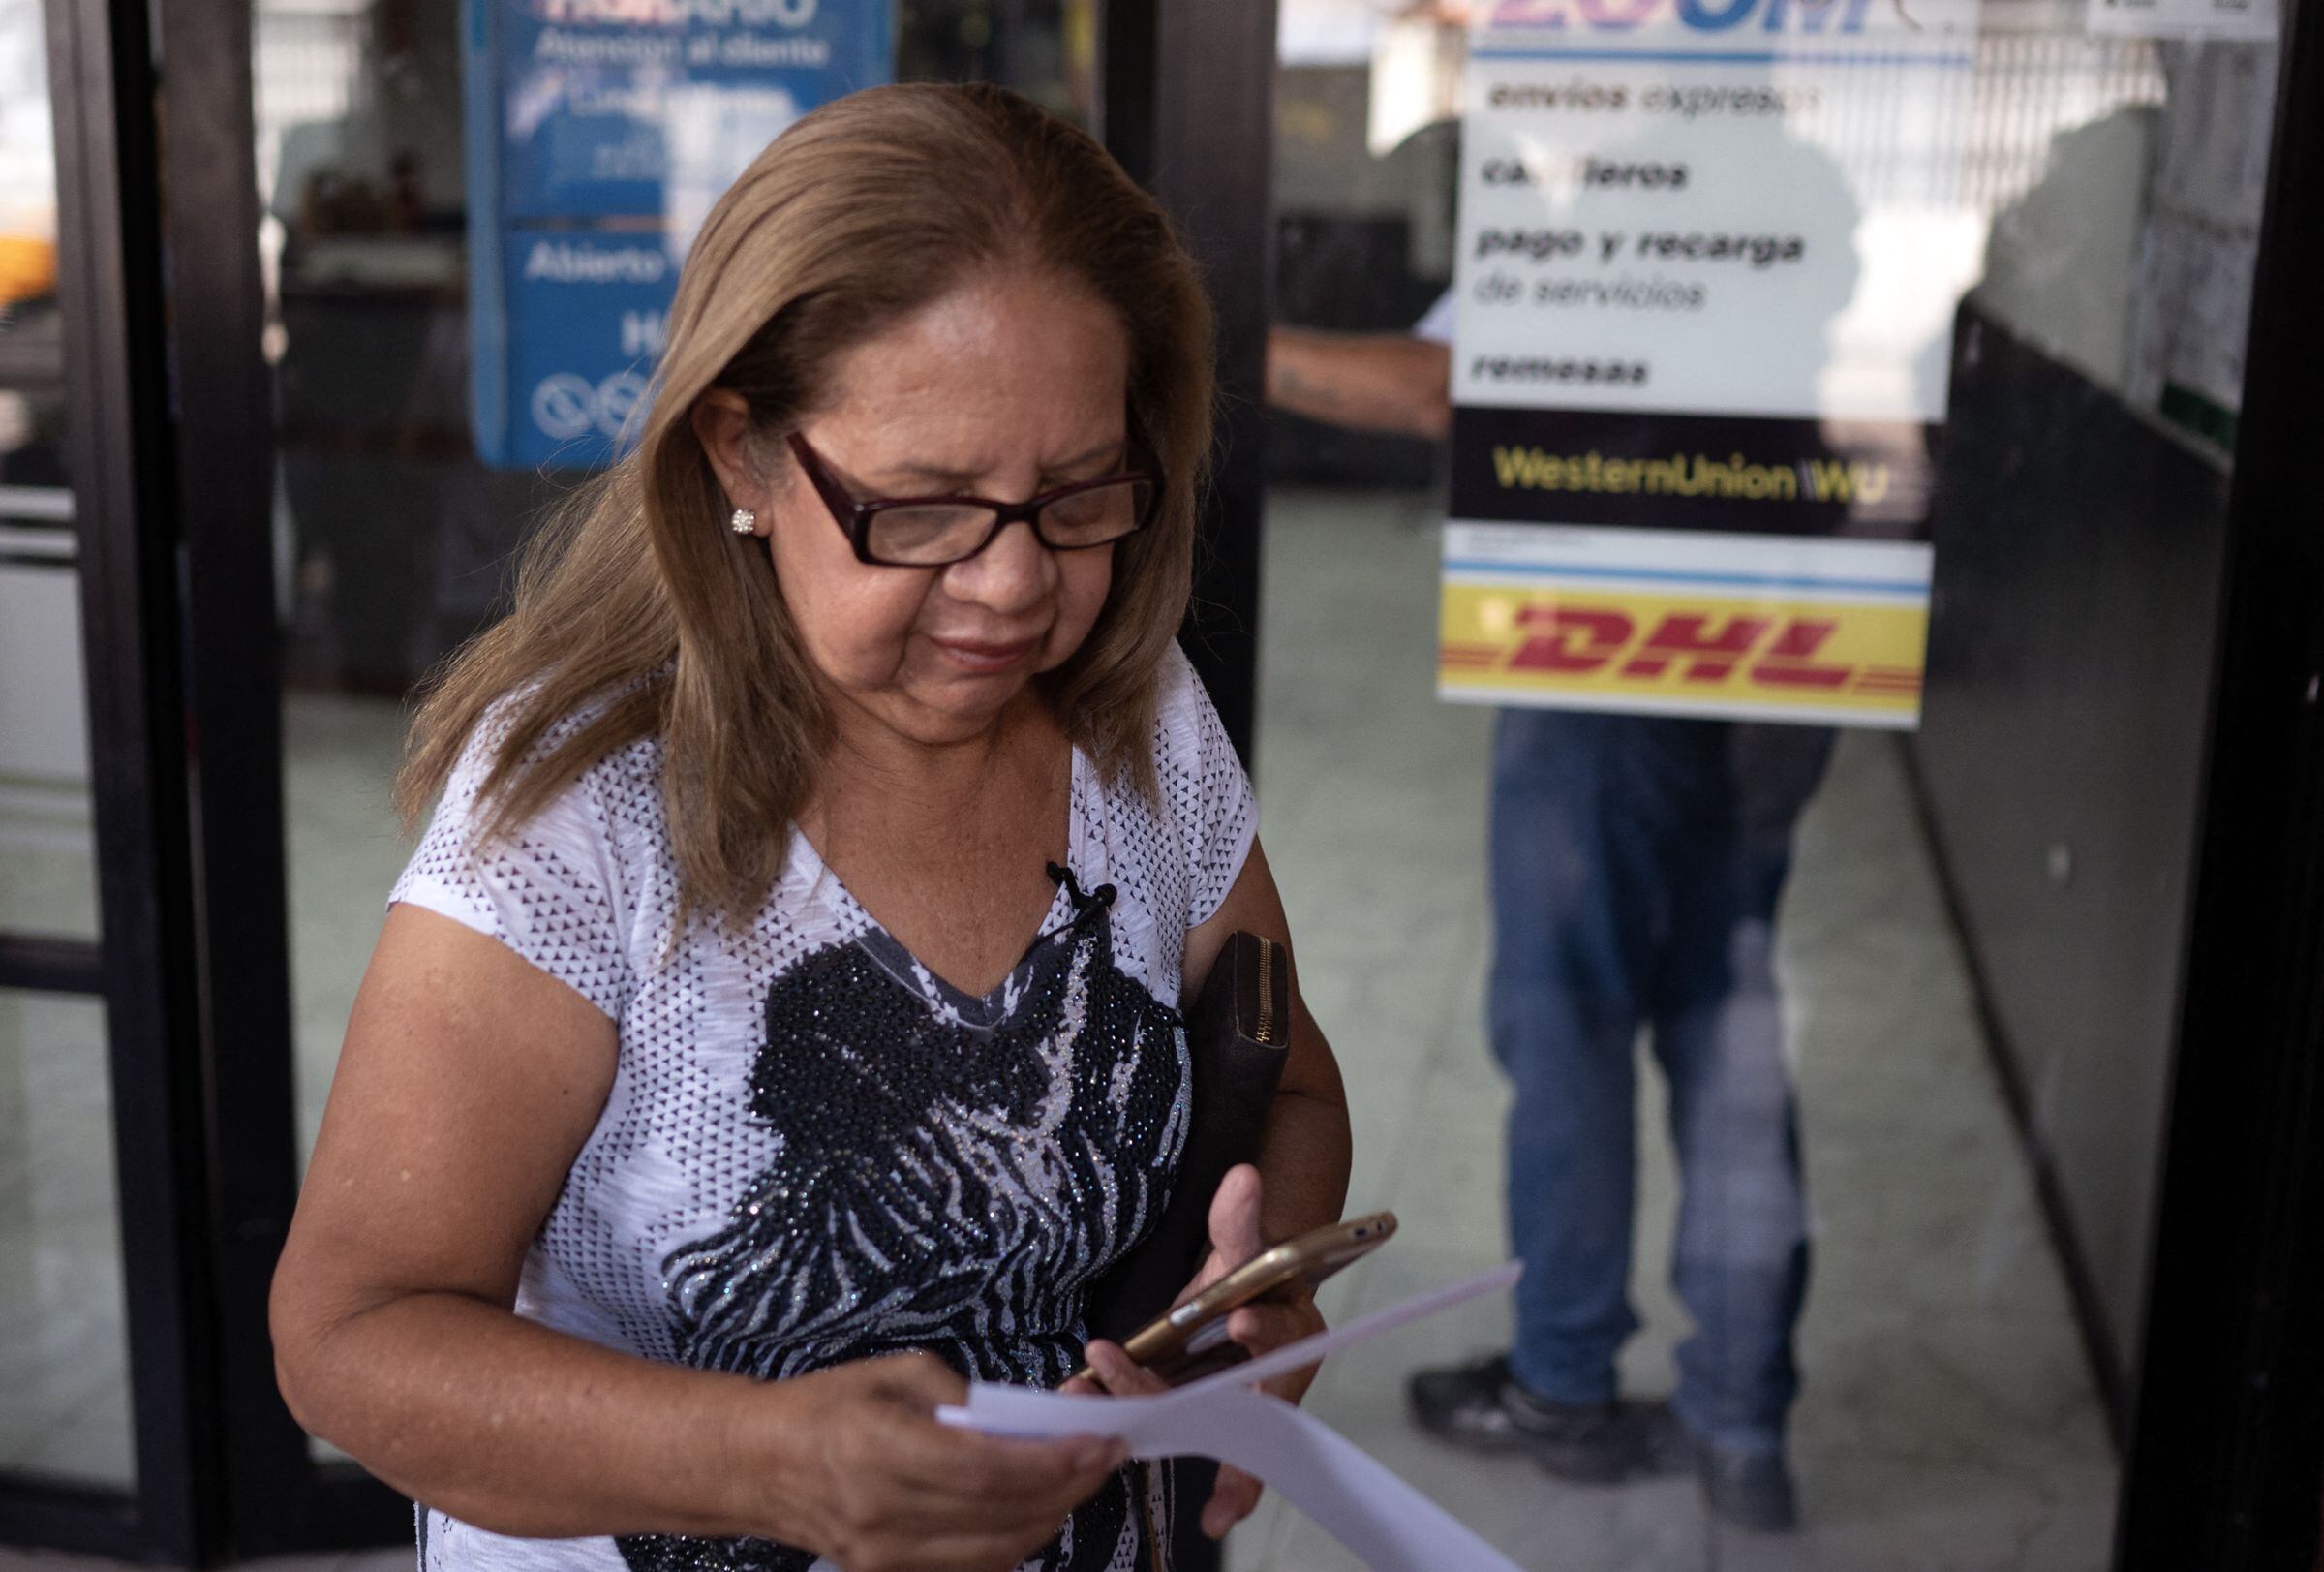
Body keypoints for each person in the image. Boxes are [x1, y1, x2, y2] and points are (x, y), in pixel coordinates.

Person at [270, 83, 1353, 1572]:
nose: (1011, 583)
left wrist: (1252, 1301)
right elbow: (352, 1335)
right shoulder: (585, 806)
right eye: (922, 506)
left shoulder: (1136, 714)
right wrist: (771, 1462)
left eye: (1079, 493)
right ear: (743, 455)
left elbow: (1289, 1093)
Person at [1268, 299, 1828, 1530]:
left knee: (1569, 1019)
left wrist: (1219, 332)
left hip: (1611, 631)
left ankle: (1563, 1382)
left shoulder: (1606, 213)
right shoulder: (1800, 211)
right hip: (1797, 626)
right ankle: (1742, 1424)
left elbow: (1436, 384)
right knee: (1726, 1021)